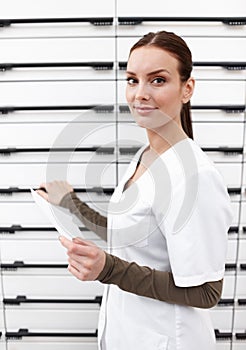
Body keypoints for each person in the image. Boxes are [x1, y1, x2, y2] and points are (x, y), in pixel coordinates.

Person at [37, 31, 233, 350]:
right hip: (128, 333)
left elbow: (207, 291)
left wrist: (109, 269)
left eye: (157, 80)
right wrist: (72, 205)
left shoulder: (195, 176)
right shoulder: (146, 155)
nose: (140, 93)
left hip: (170, 340)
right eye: (132, 80)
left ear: (187, 88)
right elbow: (129, 234)